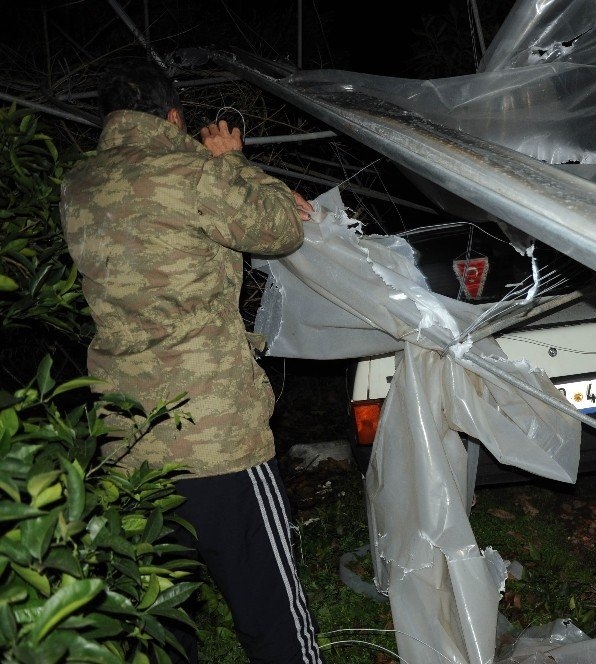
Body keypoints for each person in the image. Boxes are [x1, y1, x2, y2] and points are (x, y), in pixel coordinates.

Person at [59, 59, 324, 664]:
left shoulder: (78, 185)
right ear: (173, 115)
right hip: (214, 436)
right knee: (271, 611)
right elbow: (278, 229)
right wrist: (229, 159)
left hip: (128, 441)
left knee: (157, 617)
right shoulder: (190, 172)